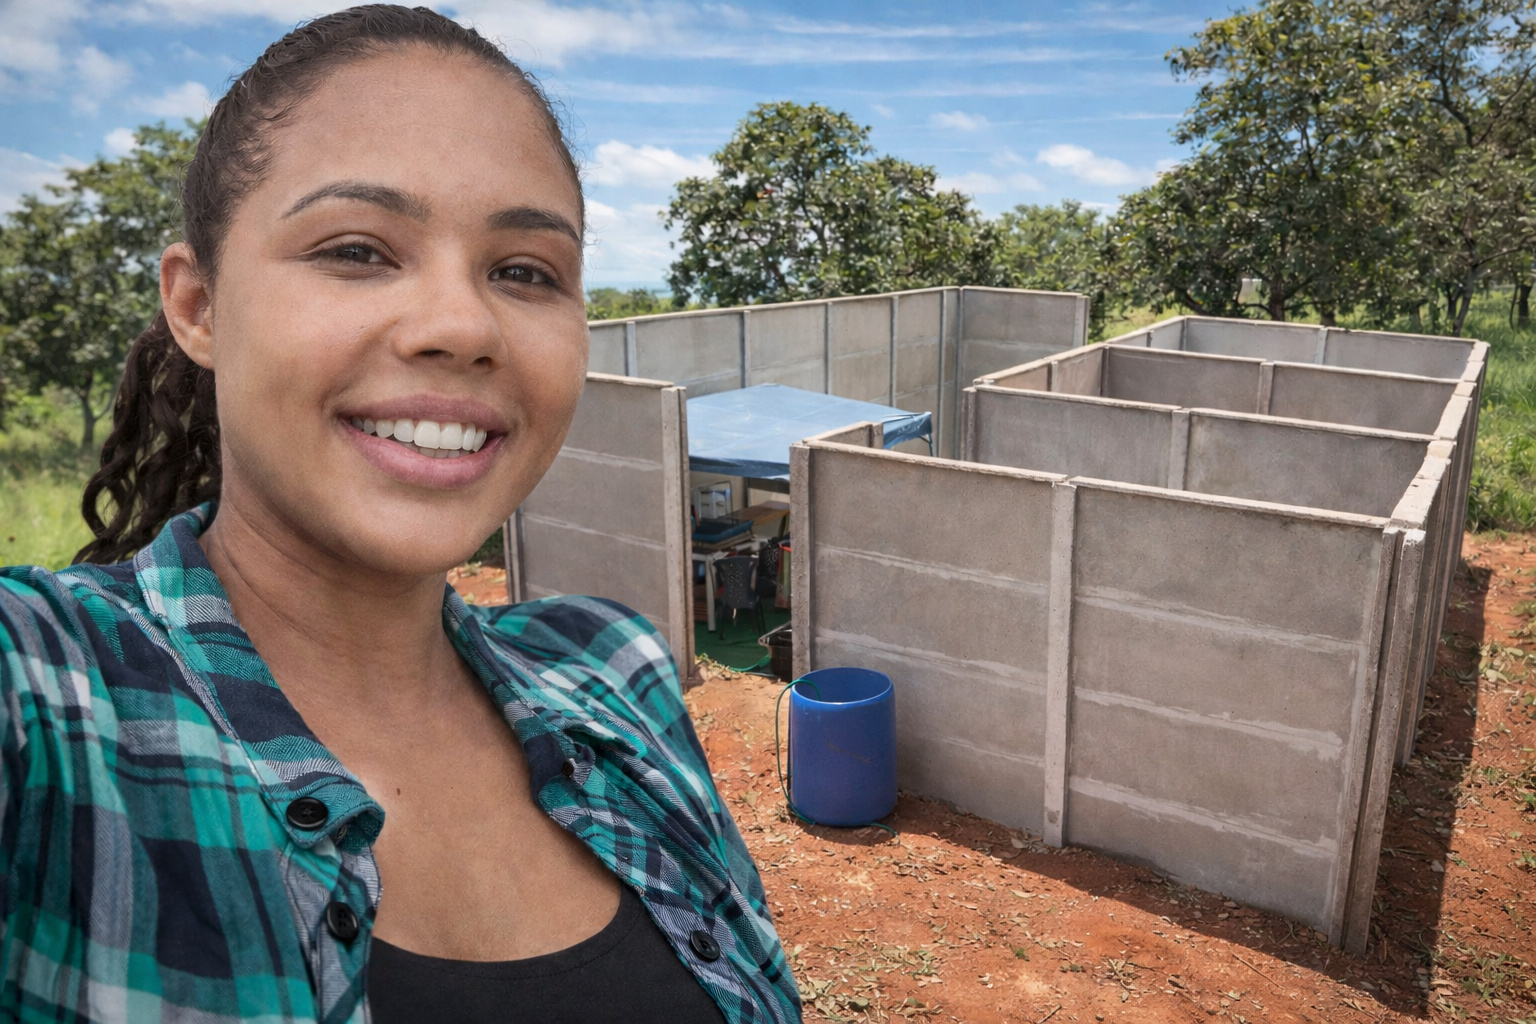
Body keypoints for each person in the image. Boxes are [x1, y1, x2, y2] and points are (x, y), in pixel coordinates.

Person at [0, 7, 800, 1022]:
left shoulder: (615, 674)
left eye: (523, 271)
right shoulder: (53, 704)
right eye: (356, 250)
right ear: (198, 305)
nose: (462, 325)